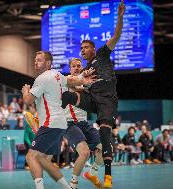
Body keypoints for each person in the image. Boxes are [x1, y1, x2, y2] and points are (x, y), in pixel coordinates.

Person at [61, 1, 125, 187]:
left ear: (93, 49)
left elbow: (116, 35)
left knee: (105, 139)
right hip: (92, 100)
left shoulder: (103, 55)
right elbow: (78, 85)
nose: (82, 50)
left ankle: (103, 176)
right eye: (81, 49)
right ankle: (43, 123)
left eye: (85, 47)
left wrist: (120, 17)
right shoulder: (85, 71)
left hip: (106, 101)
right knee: (67, 96)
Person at [22, 51, 95, 189]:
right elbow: (71, 81)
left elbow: (28, 100)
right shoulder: (57, 74)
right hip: (61, 124)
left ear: (48, 63)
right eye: (35, 60)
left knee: (31, 157)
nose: (35, 62)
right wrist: (83, 80)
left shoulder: (41, 79)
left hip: (51, 123)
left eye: (39, 60)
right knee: (44, 160)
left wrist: (25, 90)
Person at [64, 58, 102, 189]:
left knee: (106, 149)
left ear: (81, 67)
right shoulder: (66, 80)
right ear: (70, 69)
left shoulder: (85, 82)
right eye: (73, 66)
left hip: (84, 123)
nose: (76, 68)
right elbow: (74, 85)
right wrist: (85, 84)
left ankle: (92, 173)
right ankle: (73, 184)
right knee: (85, 153)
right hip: (70, 124)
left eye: (78, 66)